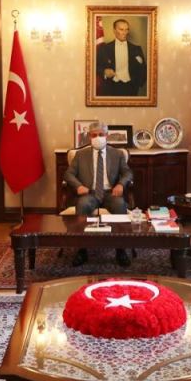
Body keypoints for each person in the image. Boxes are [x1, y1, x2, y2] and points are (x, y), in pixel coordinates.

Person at [63, 121, 134, 267]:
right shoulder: (81, 155)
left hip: (110, 193)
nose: (98, 138)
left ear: (107, 135)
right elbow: (68, 174)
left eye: (101, 135)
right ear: (89, 136)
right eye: (94, 135)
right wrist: (78, 186)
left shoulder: (117, 154)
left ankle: (120, 250)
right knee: (82, 204)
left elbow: (127, 173)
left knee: (120, 204)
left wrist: (121, 184)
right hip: (90, 193)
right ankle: (82, 250)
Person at [96, 19, 147, 96]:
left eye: (126, 30)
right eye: (121, 29)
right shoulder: (104, 48)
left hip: (131, 88)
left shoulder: (136, 49)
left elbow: (144, 69)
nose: (124, 33)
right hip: (110, 88)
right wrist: (104, 71)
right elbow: (95, 67)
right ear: (114, 30)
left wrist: (137, 84)